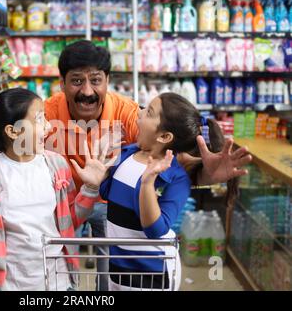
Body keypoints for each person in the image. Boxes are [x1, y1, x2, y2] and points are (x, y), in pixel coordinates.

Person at [0, 41, 252, 291]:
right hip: (59, 209)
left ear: (107, 82)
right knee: (60, 270)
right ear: (61, 83)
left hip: (109, 204)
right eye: (76, 81)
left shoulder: (131, 115)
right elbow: (4, 161)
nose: (87, 91)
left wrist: (208, 171)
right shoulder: (44, 113)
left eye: (96, 80)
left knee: (107, 280)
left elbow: (168, 159)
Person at [0, 88, 115, 291]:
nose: (49, 127)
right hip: (9, 285)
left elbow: (70, 220)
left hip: (59, 281)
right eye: (40, 119)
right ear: (13, 131)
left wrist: (91, 188)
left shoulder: (56, 165)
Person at [100, 92, 236, 291]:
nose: (140, 113)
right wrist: (99, 175)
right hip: (118, 266)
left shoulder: (175, 178)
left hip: (152, 272)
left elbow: (156, 230)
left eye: (149, 112)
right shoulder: (128, 153)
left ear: (164, 136)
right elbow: (109, 194)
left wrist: (147, 184)